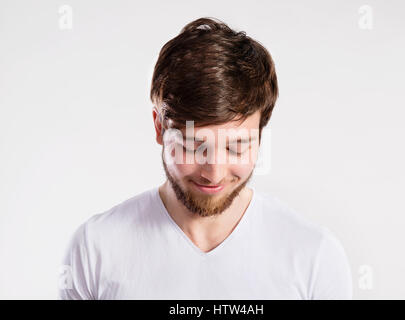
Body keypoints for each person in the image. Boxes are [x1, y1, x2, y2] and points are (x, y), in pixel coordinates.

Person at [59, 17, 352, 300]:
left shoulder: (314, 257)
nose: (214, 173)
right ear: (159, 127)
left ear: (261, 136)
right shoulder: (95, 249)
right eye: (193, 145)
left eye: (237, 147)